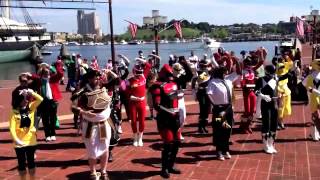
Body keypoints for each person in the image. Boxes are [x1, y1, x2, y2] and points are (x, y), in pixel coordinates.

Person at [71, 69, 113, 180]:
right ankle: (93, 172)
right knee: (91, 149)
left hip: (104, 124)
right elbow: (73, 107)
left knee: (105, 148)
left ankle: (103, 171)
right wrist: (83, 112)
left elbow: (117, 80)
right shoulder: (82, 92)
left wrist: (109, 72)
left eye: (99, 77)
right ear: (89, 79)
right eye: (95, 77)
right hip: (90, 125)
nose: (98, 79)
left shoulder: (104, 87)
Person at [150, 64, 182, 178]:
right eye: (168, 74)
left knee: (177, 142)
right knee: (168, 144)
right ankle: (164, 169)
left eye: (171, 74)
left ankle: (171, 165)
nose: (170, 76)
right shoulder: (157, 86)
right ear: (163, 74)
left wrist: (177, 113)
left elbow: (176, 100)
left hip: (175, 117)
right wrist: (170, 111)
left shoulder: (174, 84)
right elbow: (157, 105)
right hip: (165, 119)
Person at [207, 62, 241, 161]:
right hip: (219, 110)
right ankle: (219, 151)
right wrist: (216, 106)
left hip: (228, 108)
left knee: (227, 129)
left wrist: (237, 61)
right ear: (219, 73)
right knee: (219, 129)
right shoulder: (213, 82)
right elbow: (208, 94)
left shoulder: (228, 79)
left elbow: (239, 72)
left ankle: (226, 149)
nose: (226, 73)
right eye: (224, 72)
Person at [10, 88, 43, 179]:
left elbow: (40, 99)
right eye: (23, 99)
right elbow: (12, 129)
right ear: (18, 100)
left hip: (31, 140)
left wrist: (31, 92)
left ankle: (32, 178)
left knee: (31, 162)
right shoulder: (14, 112)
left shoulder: (31, 107)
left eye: (27, 98)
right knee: (21, 163)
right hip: (19, 142)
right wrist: (16, 140)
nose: (26, 100)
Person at [239, 49, 265, 134]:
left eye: (251, 64)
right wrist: (244, 85)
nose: (250, 65)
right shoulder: (243, 72)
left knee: (252, 111)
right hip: (246, 93)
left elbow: (261, 62)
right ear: (245, 64)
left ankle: (248, 125)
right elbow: (242, 83)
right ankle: (243, 126)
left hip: (252, 93)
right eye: (248, 64)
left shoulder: (253, 69)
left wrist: (261, 53)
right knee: (247, 111)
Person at [255, 65, 278, 154]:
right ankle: (265, 146)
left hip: (275, 103)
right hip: (265, 104)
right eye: (271, 73)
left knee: (274, 124)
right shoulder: (261, 80)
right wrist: (263, 96)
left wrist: (279, 97)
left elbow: (276, 90)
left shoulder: (276, 79)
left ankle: (271, 144)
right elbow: (255, 91)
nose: (272, 74)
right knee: (266, 124)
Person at [127, 62, 151, 146]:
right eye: (137, 73)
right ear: (134, 72)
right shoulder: (129, 81)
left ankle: (140, 138)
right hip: (133, 103)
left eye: (140, 72)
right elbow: (127, 93)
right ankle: (135, 137)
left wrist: (141, 60)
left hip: (142, 102)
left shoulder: (143, 77)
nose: (139, 74)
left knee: (142, 121)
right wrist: (133, 97)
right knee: (133, 121)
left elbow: (148, 66)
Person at [192, 58, 213, 134]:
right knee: (203, 110)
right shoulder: (200, 72)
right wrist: (194, 92)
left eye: (205, 65)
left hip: (207, 92)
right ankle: (201, 127)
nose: (205, 67)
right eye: (204, 65)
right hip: (202, 92)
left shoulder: (206, 72)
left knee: (207, 110)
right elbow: (195, 81)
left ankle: (204, 126)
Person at [303, 59, 320, 141]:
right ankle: (315, 134)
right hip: (314, 98)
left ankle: (315, 134)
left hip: (314, 97)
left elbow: (304, 84)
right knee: (316, 116)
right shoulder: (311, 76)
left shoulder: (310, 76)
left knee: (316, 117)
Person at [275, 55, 293, 129]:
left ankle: (280, 122)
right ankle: (278, 123)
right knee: (280, 108)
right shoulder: (277, 73)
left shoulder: (285, 68)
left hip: (287, 92)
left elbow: (290, 63)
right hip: (280, 92)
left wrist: (287, 57)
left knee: (285, 108)